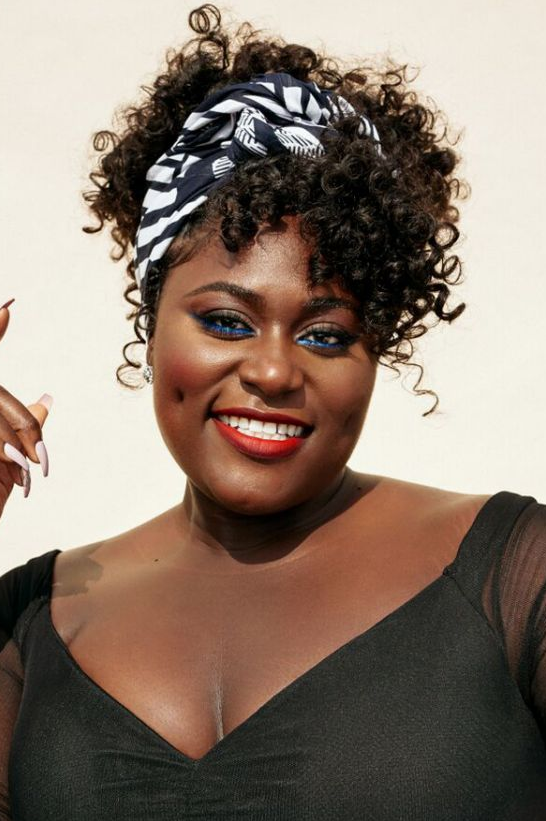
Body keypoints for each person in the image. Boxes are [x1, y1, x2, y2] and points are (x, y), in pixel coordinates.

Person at [1, 5, 545, 819]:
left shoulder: (511, 578)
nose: (273, 370)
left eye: (326, 334)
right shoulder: (30, 618)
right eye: (226, 321)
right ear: (153, 322)